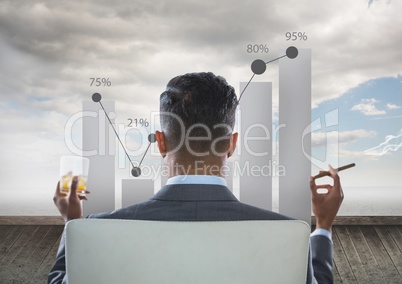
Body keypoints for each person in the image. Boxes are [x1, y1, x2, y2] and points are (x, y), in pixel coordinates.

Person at [49, 72, 343, 284]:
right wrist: (323, 227)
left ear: (161, 143)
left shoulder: (96, 230)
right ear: (232, 144)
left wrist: (71, 225)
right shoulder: (288, 233)